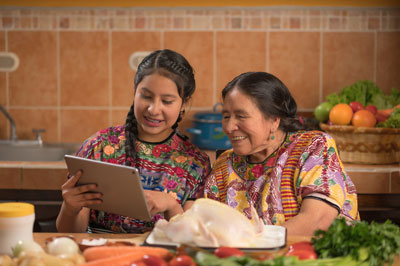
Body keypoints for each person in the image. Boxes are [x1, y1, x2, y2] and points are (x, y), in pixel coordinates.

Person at [56, 49, 211, 234]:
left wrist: (171, 205)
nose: (153, 109)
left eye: (167, 101)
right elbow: (70, 232)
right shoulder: (99, 147)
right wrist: (70, 208)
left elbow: (190, 238)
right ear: (134, 92)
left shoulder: (195, 163)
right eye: (146, 96)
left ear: (184, 103)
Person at [203, 72, 359, 236]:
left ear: (274, 120)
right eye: (226, 116)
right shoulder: (223, 166)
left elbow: (317, 221)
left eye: (241, 116)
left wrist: (251, 243)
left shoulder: (314, 148)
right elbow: (208, 228)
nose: (229, 127)